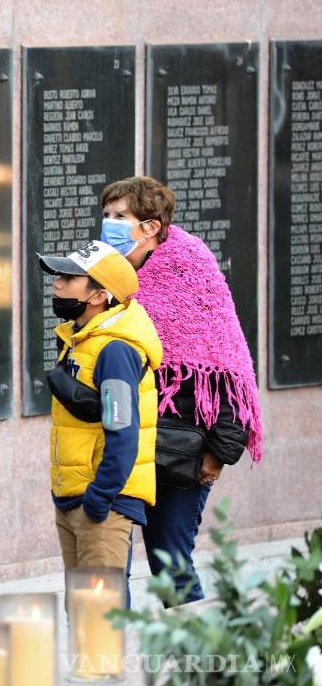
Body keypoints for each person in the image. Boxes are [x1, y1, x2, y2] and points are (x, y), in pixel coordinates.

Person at [99, 176, 261, 605]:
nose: (108, 223)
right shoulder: (108, 277)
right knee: (107, 563)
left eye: (120, 216)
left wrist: (220, 453)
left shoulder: (192, 273)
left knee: (170, 562)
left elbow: (229, 368)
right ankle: (116, 661)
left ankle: (201, 664)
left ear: (150, 225)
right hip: (121, 446)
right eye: (107, 215)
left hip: (180, 451)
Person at [38, 241, 161, 604]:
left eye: (69, 277)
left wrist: (99, 499)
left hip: (101, 506)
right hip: (73, 500)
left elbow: (123, 431)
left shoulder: (115, 350)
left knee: (98, 622)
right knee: (82, 618)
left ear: (98, 295)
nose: (57, 283)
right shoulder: (82, 340)